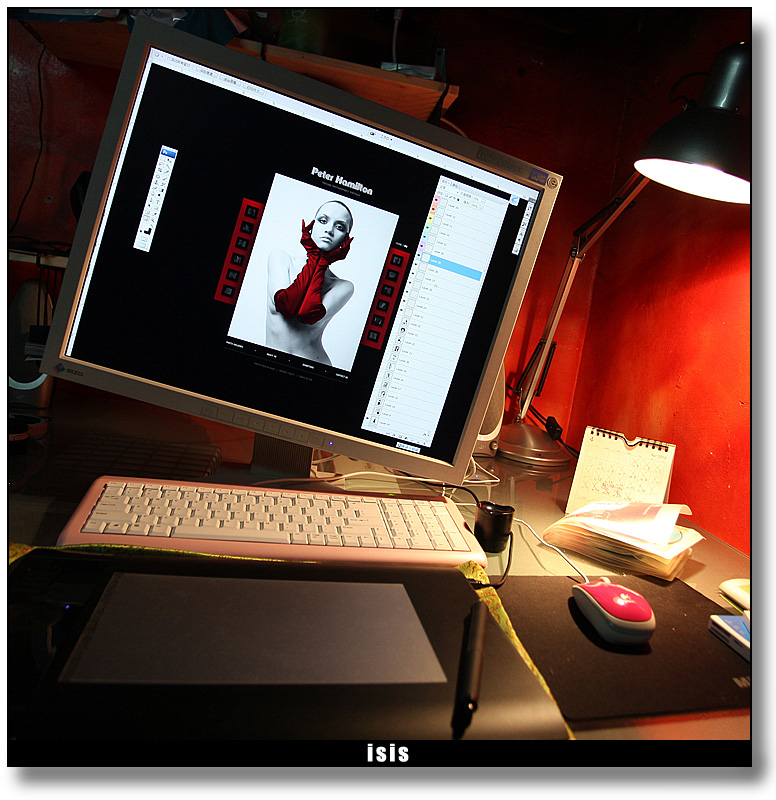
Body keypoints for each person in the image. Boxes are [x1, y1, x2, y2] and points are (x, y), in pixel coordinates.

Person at [266, 200, 354, 365]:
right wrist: (315, 257)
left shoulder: (343, 286)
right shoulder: (281, 258)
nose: (329, 230)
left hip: (314, 367)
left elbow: (307, 314)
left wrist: (319, 260)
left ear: (345, 240)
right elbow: (286, 305)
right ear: (312, 226)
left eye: (340, 227)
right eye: (323, 220)